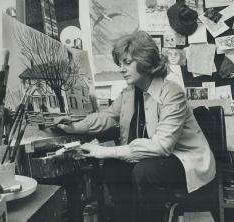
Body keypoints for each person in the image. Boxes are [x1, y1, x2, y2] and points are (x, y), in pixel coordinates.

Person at [54, 30, 216, 222]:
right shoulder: (129, 93)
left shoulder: (172, 92)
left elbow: (162, 146)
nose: (121, 69)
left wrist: (103, 151)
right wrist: (74, 127)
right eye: (120, 64)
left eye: (127, 62)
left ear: (145, 61)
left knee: (144, 171)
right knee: (112, 168)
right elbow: (107, 116)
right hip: (149, 159)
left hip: (183, 160)